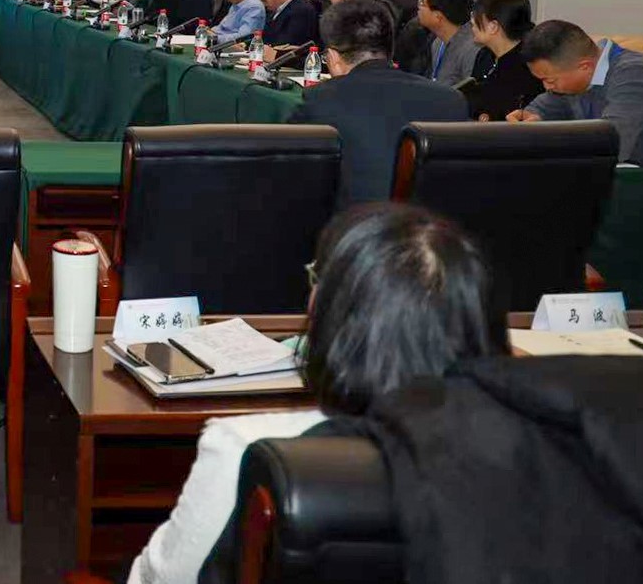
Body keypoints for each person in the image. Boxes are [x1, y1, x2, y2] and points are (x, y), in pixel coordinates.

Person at [138, 202, 508, 584]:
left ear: (326, 312)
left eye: (317, 280)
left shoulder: (247, 449)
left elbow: (161, 579)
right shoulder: (527, 452)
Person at [288, 0, 469, 203]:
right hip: (434, 221)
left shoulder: (320, 100)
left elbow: (295, 177)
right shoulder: (451, 100)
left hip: (356, 220)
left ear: (333, 58)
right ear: (389, 49)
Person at [511, 20, 643, 222]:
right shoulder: (581, 78)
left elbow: (608, 144)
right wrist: (532, 116)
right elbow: (550, 103)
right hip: (629, 193)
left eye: (549, 80)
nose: (547, 87)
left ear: (584, 66)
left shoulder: (635, 77)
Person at [463, 0, 543, 122]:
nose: (472, 20)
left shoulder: (528, 66)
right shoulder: (485, 55)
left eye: (476, 15)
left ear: (493, 26)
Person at [418, 0, 479, 86]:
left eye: (422, 3)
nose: (418, 7)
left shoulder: (472, 49)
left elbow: (472, 92)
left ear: (438, 16)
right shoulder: (437, 42)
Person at [253, 0, 318, 50]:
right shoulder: (275, 10)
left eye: (264, 0)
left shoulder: (301, 10)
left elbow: (286, 44)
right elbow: (262, 35)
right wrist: (246, 43)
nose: (264, 4)